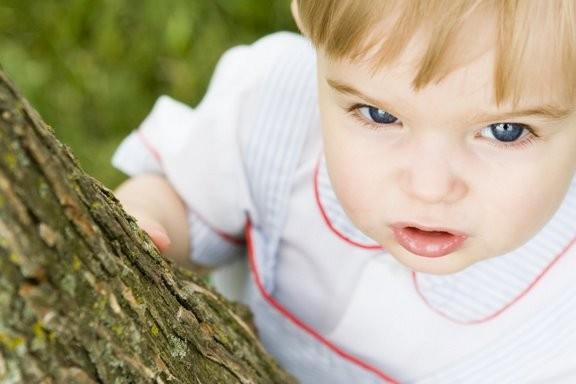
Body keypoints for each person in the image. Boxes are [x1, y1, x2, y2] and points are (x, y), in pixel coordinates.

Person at [112, 1, 576, 382]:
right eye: (378, 115)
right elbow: (182, 195)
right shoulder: (275, 109)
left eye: (506, 130)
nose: (429, 188)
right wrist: (143, 220)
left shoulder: (558, 314)